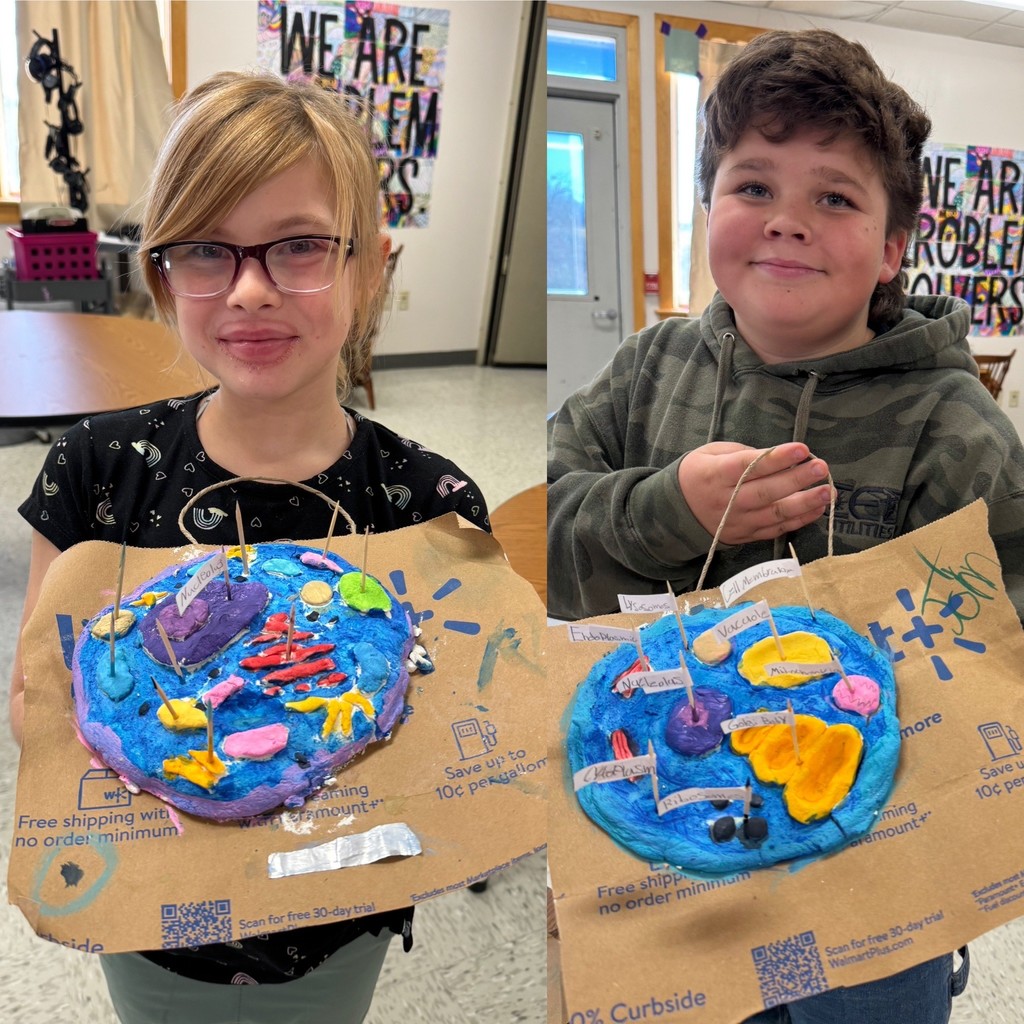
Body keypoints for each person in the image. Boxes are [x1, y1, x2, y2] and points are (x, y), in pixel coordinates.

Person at [547, 28, 1024, 1023]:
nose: (787, 222)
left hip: (874, 888)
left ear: (894, 246)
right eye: (752, 186)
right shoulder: (644, 374)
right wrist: (663, 508)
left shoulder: (957, 430)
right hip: (667, 843)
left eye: (835, 197)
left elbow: (999, 671)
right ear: (708, 209)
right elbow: (530, 551)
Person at [10, 71, 489, 1024]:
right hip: (149, 930)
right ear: (161, 274)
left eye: (300, 245)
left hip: (335, 928)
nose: (252, 289)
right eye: (206, 251)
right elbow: (42, 702)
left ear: (370, 267)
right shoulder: (95, 472)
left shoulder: (428, 504)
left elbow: (447, 740)